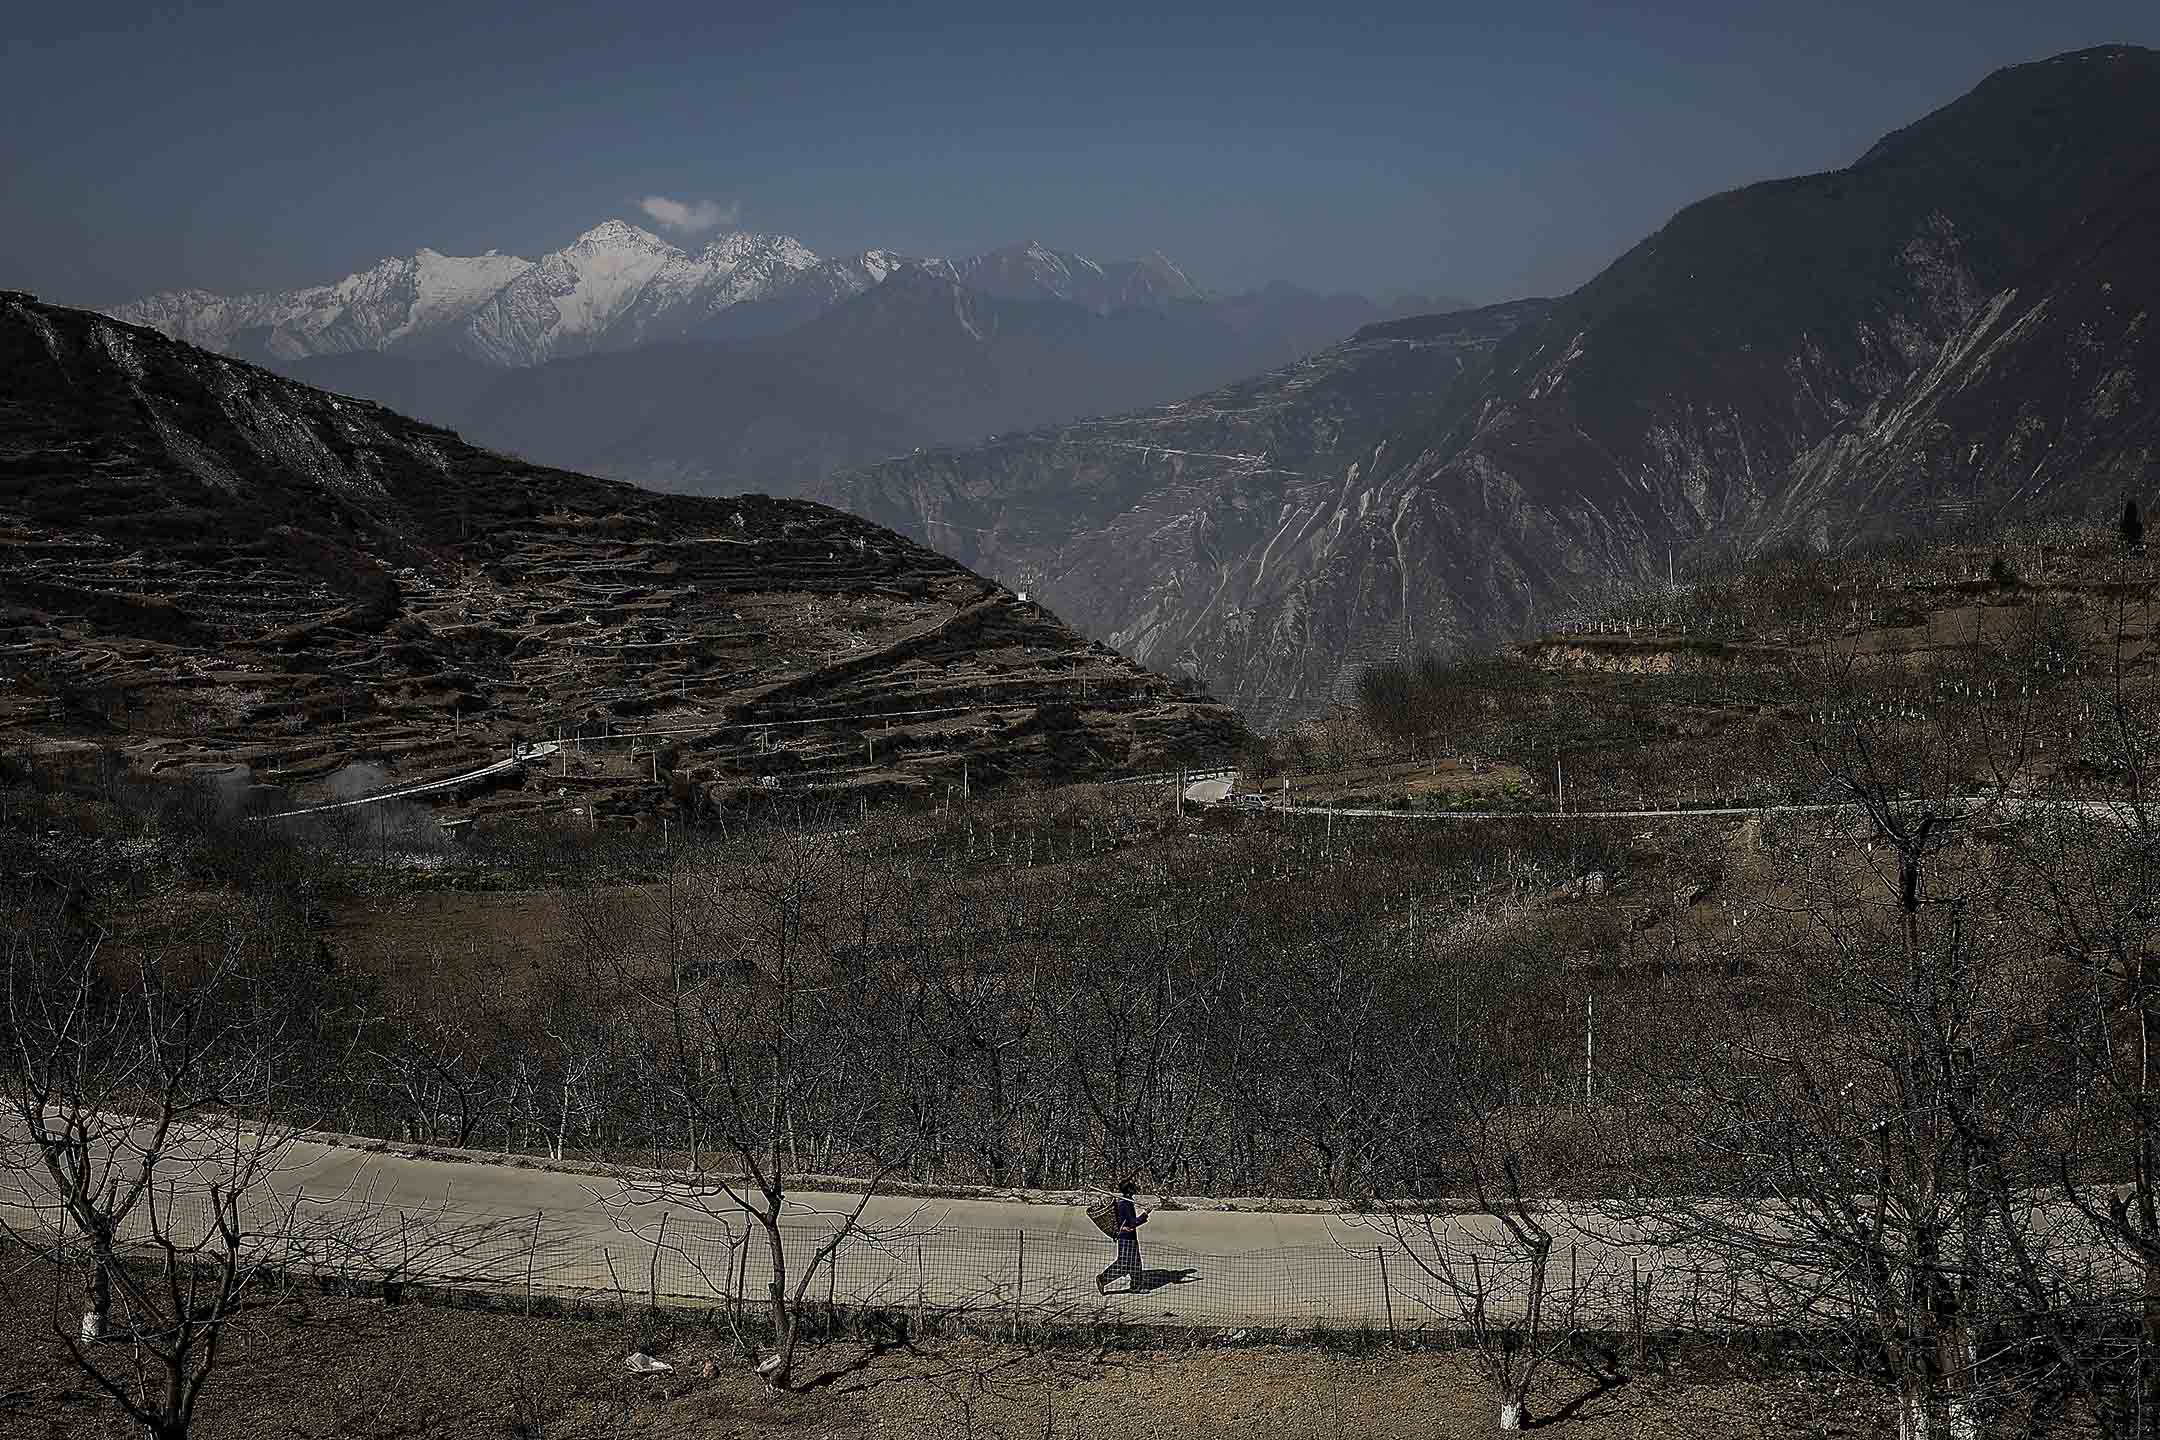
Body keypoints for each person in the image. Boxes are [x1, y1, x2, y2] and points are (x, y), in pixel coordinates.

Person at [1096, 1179, 1148, 1294]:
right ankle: (1103, 1279)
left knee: (1135, 1262)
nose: (1135, 1187)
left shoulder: (1126, 1201)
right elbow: (1133, 1222)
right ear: (1129, 1189)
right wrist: (1145, 1214)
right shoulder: (1125, 1203)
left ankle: (1136, 1286)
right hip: (1126, 1238)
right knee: (1124, 1263)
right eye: (1132, 1186)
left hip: (1129, 1237)